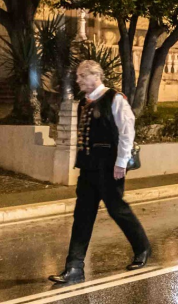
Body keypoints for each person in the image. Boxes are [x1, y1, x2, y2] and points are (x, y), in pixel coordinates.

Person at [49, 60, 151, 285]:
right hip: (88, 167)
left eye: (82, 76)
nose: (78, 80)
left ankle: (143, 248)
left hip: (109, 167)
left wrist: (121, 163)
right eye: (78, 76)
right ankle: (74, 267)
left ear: (95, 76)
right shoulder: (84, 103)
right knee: (82, 216)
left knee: (117, 210)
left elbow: (127, 131)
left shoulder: (114, 98)